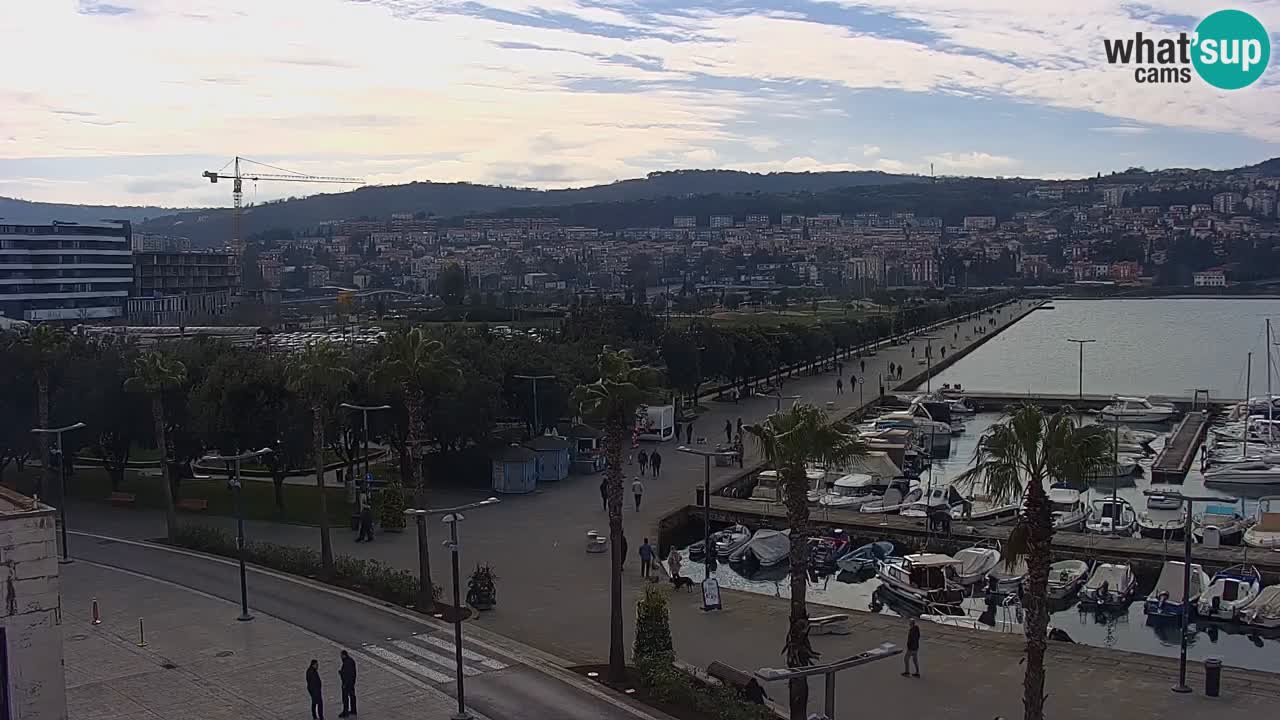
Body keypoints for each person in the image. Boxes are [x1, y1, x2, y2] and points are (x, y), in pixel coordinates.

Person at [338, 650, 357, 717]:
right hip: (351, 682)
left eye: (341, 655)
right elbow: (353, 673)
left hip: (347, 683)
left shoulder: (346, 663)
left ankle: (345, 712)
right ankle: (353, 710)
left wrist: (345, 683)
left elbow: (347, 674)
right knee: (352, 696)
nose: (340, 657)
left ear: (344, 655)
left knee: (345, 698)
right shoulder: (351, 661)